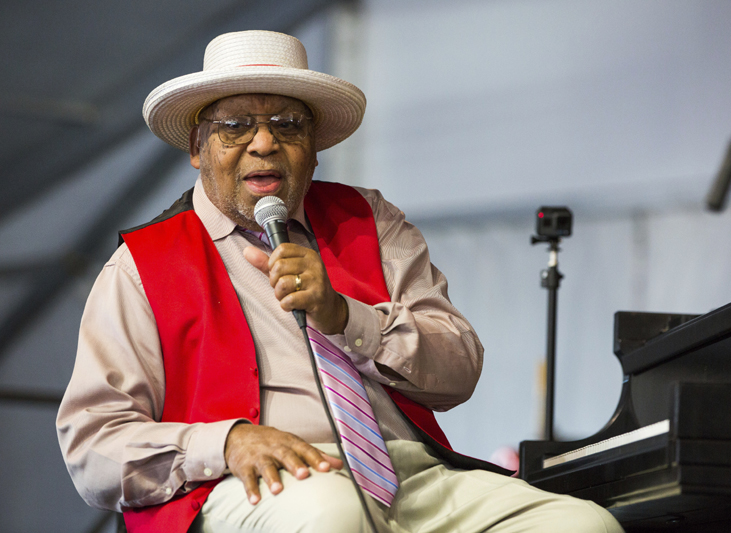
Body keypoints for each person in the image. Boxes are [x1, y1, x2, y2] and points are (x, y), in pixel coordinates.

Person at [56, 30, 623, 533]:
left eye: (287, 125)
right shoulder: (143, 265)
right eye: (234, 126)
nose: (263, 143)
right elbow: (92, 446)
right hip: (245, 483)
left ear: (314, 148)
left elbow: (459, 371)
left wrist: (347, 317)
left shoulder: (370, 221)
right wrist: (225, 442)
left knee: (582, 522)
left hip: (407, 473)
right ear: (197, 149)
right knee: (333, 514)